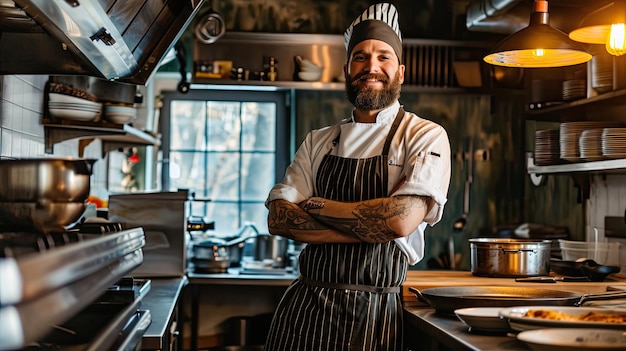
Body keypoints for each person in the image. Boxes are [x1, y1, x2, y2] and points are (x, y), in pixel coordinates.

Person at [264, 3, 451, 350]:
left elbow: (399, 222)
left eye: (384, 57)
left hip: (375, 315)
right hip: (303, 312)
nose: (372, 67)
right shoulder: (318, 140)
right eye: (361, 57)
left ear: (400, 72)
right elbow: (279, 219)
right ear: (347, 68)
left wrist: (318, 207)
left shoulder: (423, 135)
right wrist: (371, 227)